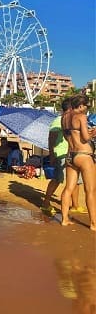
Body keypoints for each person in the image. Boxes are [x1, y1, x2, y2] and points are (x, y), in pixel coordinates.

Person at [41, 98, 84, 216]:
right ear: (70, 109)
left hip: (73, 154)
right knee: (57, 180)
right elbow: (51, 139)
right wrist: (51, 155)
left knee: (77, 181)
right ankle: (45, 203)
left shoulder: (71, 121)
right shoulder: (58, 120)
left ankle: (75, 205)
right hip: (60, 154)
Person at [60, 94, 96, 230]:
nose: (86, 109)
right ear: (80, 105)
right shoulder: (81, 116)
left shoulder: (64, 118)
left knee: (68, 188)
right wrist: (94, 132)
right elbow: (86, 137)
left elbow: (68, 136)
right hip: (84, 155)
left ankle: (64, 219)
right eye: (86, 106)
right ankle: (93, 224)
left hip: (71, 155)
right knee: (90, 190)